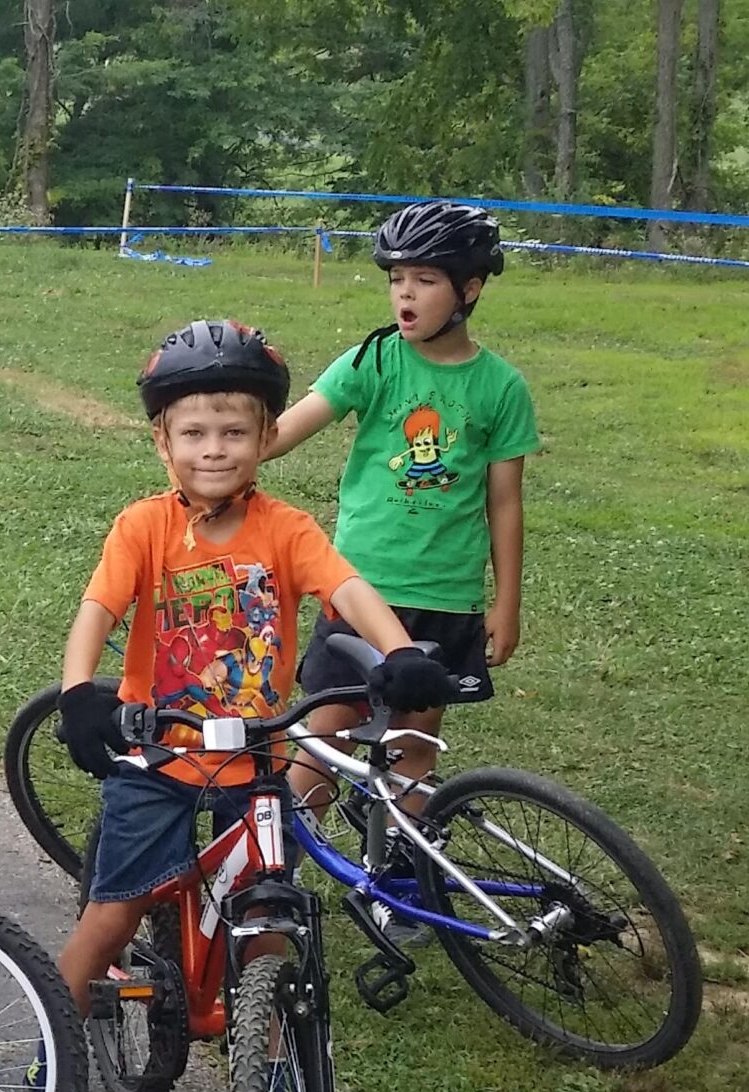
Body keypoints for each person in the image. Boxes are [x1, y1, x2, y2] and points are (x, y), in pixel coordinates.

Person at [53, 320, 456, 1017]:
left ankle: (270, 1074)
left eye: (234, 433)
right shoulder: (143, 528)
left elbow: (348, 588)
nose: (214, 450)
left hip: (259, 760)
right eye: (195, 433)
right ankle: (49, 1053)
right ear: (163, 441)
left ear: (267, 438)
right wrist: (77, 694)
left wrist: (400, 652)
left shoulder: (286, 529)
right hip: (160, 755)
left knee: (267, 923)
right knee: (113, 916)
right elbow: (98, 609)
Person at [267, 202, 536, 830]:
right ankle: (274, 874)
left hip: (447, 596)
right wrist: (219, 448)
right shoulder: (375, 360)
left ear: (468, 290)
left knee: (413, 753)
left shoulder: (501, 387)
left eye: (425, 279)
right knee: (322, 740)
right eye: (396, 279)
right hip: (359, 589)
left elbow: (505, 503)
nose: (405, 294)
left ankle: (400, 882)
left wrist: (506, 604)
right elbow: (286, 431)